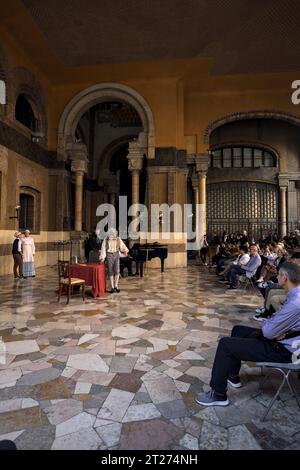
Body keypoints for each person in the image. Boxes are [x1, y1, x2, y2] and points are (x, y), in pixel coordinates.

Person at [195, 262, 300, 407]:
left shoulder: (295, 302)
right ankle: (233, 376)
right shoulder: (296, 294)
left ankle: (218, 394)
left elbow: (268, 332)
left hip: (285, 351)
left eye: (279, 274)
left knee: (225, 344)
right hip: (285, 340)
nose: (277, 276)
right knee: (238, 330)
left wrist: (272, 325)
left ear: (285, 278)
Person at [99, 228, 129, 293]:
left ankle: (116, 286)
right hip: (109, 255)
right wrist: (102, 258)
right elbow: (103, 248)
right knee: (110, 271)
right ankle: (112, 287)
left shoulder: (118, 239)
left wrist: (125, 251)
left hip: (116, 254)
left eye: (114, 233)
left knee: (117, 270)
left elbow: (122, 245)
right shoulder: (106, 239)